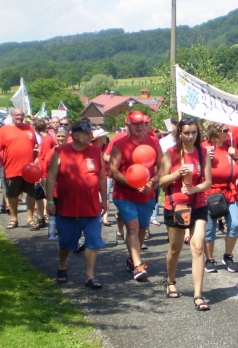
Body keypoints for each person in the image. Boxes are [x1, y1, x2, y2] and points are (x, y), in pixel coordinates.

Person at [46, 121, 109, 289]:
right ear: (74, 135)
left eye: (91, 132)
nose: (90, 136)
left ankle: (90, 276)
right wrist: (50, 200)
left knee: (93, 242)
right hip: (68, 207)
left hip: (91, 207)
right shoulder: (60, 152)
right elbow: (51, 177)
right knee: (66, 242)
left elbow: (102, 177)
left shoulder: (97, 152)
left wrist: (104, 198)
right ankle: (63, 264)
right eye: (86, 133)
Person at [158, 117, 212, 310]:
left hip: (198, 204)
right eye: (186, 133)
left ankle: (198, 294)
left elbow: (208, 182)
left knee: (198, 247)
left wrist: (195, 189)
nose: (190, 136)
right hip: (176, 206)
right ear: (180, 133)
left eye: (194, 133)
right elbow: (161, 182)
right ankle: (170, 280)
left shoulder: (203, 153)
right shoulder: (171, 153)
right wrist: (176, 174)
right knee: (175, 248)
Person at [109, 110, 162, 281]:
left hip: (147, 194)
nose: (139, 126)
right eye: (135, 123)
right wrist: (132, 183)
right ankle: (139, 265)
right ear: (129, 124)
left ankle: (133, 259)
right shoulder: (120, 144)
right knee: (132, 226)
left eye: (142, 123)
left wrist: (152, 183)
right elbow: (113, 170)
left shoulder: (154, 142)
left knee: (142, 229)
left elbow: (162, 167)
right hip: (124, 194)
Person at [202, 122, 238, 273]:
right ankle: (209, 259)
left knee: (234, 224)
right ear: (215, 132)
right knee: (210, 228)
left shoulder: (230, 147)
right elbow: (195, 170)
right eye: (225, 130)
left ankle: (228, 256)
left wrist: (236, 158)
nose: (229, 133)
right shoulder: (204, 147)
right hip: (210, 192)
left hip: (230, 191)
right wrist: (205, 160)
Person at [0, 107, 38, 229]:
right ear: (12, 116)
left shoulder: (29, 128)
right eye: (17, 115)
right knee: (12, 195)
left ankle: (30, 219)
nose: (19, 117)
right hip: (12, 168)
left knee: (31, 194)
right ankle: (14, 219)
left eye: (21, 115)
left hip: (29, 170)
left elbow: (35, 146)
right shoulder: (4, 130)